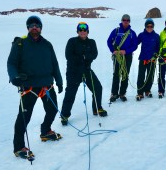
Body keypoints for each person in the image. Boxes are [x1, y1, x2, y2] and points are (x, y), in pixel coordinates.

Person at [7, 15, 63, 160]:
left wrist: (59, 80)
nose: (34, 27)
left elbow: (55, 64)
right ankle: (19, 147)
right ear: (27, 28)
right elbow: (11, 63)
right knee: (24, 117)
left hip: (46, 85)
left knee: (52, 109)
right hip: (28, 86)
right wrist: (14, 77)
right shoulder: (20, 43)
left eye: (37, 25)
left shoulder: (47, 44)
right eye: (31, 25)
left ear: (41, 28)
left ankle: (45, 131)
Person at [61, 22, 107, 125]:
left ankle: (97, 108)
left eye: (85, 30)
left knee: (98, 88)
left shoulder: (91, 42)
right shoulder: (72, 41)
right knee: (70, 93)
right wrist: (83, 57)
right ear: (77, 31)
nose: (83, 31)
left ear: (87, 31)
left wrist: (85, 57)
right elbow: (68, 56)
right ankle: (65, 115)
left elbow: (94, 54)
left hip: (86, 70)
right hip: (73, 72)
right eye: (80, 30)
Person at [107, 14, 138, 102]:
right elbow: (109, 41)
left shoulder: (132, 33)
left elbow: (135, 45)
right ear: (121, 20)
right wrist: (113, 50)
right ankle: (114, 93)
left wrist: (126, 51)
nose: (126, 21)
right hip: (117, 55)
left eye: (127, 20)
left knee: (125, 74)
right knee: (116, 74)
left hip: (127, 56)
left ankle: (122, 93)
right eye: (124, 20)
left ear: (129, 21)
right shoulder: (116, 31)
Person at [135, 18, 160, 101]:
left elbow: (158, 48)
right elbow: (135, 44)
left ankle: (147, 90)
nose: (149, 27)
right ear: (145, 26)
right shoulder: (141, 35)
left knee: (150, 76)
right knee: (141, 76)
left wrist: (156, 55)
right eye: (148, 26)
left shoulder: (156, 36)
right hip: (143, 59)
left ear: (153, 26)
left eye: (151, 26)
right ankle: (140, 92)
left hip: (152, 59)